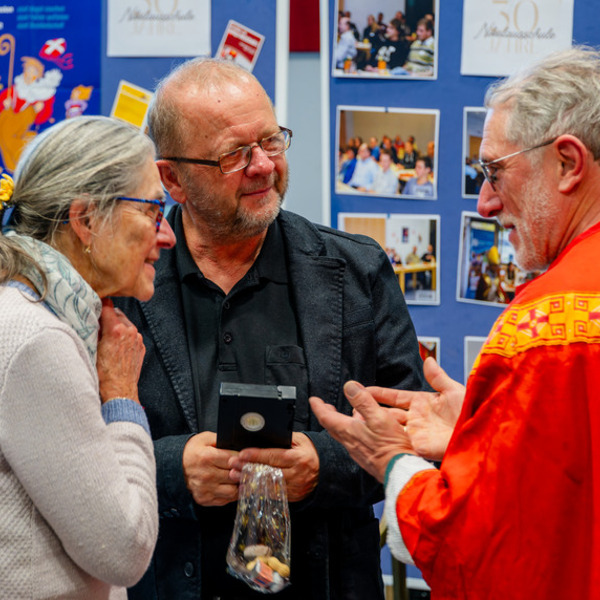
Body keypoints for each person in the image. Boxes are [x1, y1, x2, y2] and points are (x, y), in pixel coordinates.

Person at [114, 57, 428, 600]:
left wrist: (321, 466)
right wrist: (171, 469)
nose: (263, 165)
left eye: (272, 141)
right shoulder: (118, 287)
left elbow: (414, 429)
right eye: (234, 154)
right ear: (172, 179)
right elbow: (78, 443)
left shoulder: (356, 270)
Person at [310, 46, 600, 598]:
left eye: (494, 172)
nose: (485, 203)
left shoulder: (542, 324)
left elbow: (477, 546)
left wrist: (390, 461)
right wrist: (485, 429)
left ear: (567, 163)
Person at [0, 115, 177, 598]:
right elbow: (123, 550)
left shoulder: (27, 312)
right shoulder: (37, 338)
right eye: (152, 212)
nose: (168, 237)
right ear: (86, 220)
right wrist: (121, 396)